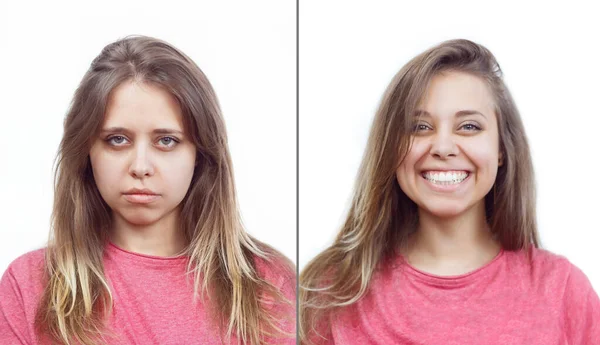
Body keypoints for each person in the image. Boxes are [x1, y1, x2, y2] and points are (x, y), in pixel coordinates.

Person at [299, 39, 599, 344]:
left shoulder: (564, 292)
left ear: (501, 150)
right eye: (419, 127)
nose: (443, 147)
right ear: (391, 149)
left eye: (468, 126)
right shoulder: (330, 292)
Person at [0, 36, 295, 345]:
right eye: (117, 139)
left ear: (201, 154)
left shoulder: (268, 284)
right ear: (87, 150)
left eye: (166, 140)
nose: (140, 166)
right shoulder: (30, 285)